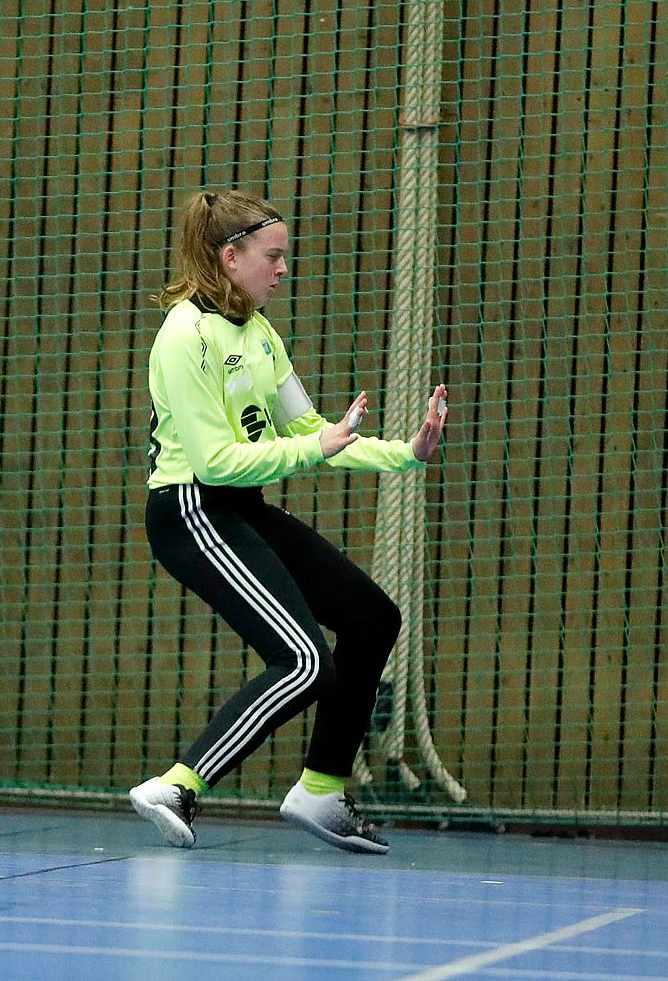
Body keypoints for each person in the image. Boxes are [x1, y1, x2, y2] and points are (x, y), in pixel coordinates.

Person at [128, 188, 451, 854]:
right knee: (305, 660)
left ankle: (321, 787)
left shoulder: (261, 334)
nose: (282, 269)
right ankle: (178, 785)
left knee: (371, 617)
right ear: (231, 255)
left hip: (238, 505)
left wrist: (407, 453)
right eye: (272, 256)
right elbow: (216, 460)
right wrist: (315, 445)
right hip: (190, 507)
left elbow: (314, 431)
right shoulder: (185, 336)